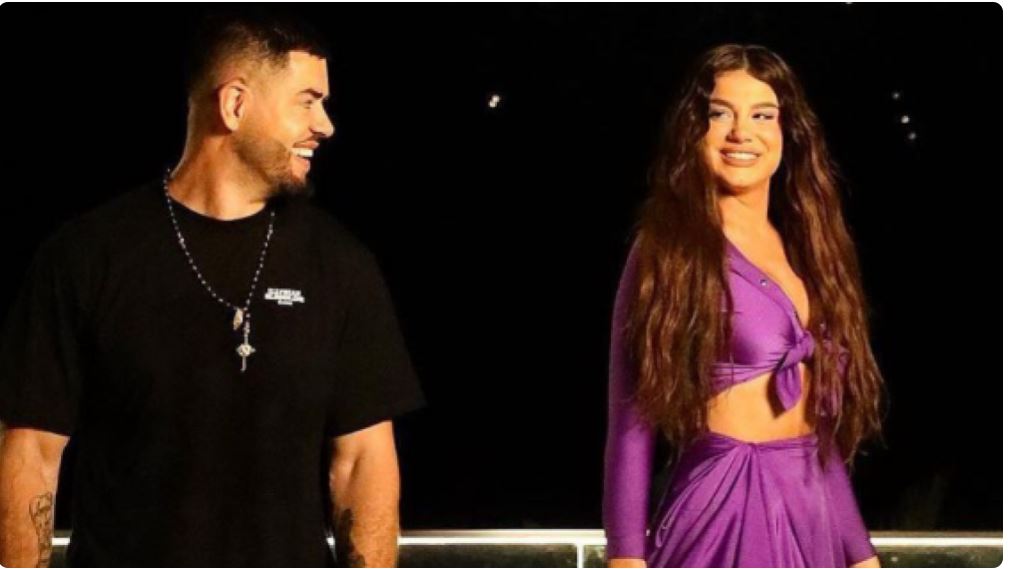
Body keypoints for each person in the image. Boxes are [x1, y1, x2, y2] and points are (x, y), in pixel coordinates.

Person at [0, 10, 424, 567]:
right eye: (307, 101)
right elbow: (31, 452)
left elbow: (364, 460)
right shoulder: (85, 255)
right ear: (234, 105)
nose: (325, 125)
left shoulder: (342, 265)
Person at [603, 44, 885, 568]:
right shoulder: (668, 249)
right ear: (695, 130)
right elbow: (630, 422)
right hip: (722, 508)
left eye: (762, 115)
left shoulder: (809, 249)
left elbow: (818, 444)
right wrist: (625, 556)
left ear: (787, 131)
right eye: (720, 114)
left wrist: (861, 555)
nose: (741, 133)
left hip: (812, 517)